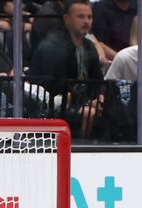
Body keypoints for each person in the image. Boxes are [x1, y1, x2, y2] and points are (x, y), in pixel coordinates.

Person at [28, 0, 104, 135]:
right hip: (53, 104)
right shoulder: (54, 45)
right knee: (89, 114)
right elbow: (55, 86)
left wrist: (99, 98)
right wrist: (85, 102)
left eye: (89, 17)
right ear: (66, 19)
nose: (86, 21)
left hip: (81, 101)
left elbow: (98, 81)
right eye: (81, 17)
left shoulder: (89, 46)